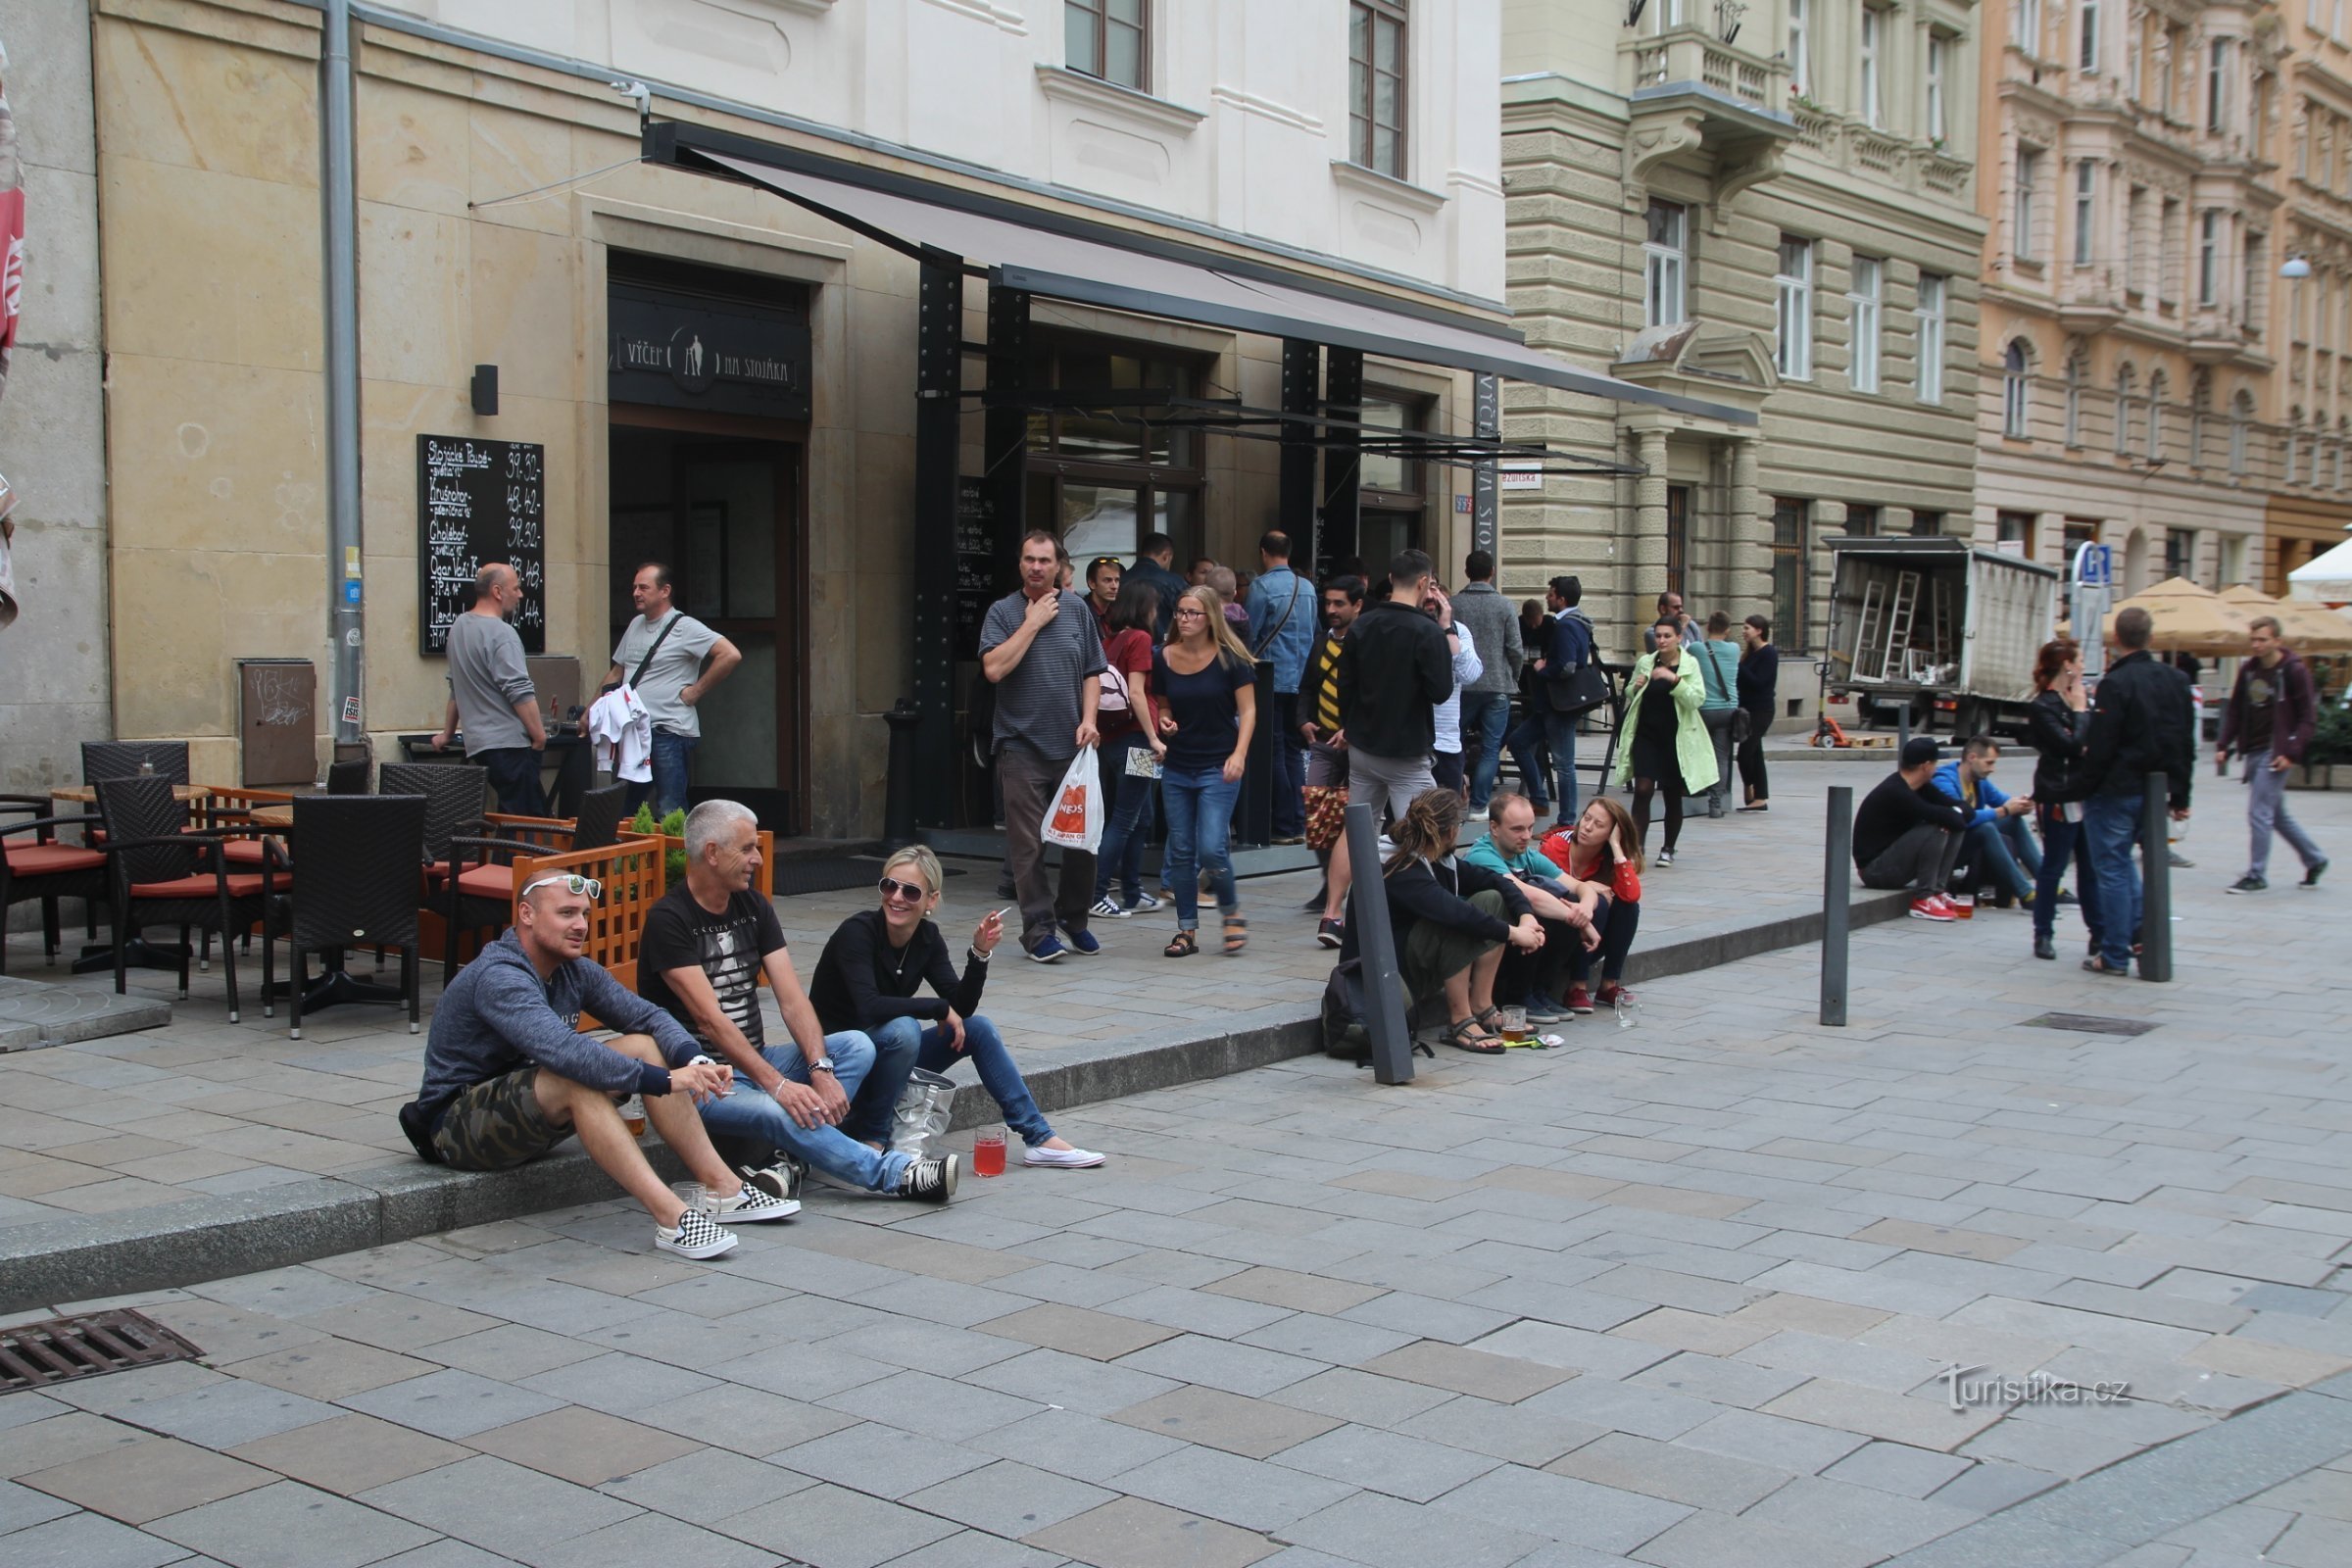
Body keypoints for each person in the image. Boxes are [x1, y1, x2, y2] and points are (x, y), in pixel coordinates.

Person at [399, 871, 796, 1260]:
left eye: (585, 915)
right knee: (576, 1078)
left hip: (527, 1110)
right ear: (526, 914)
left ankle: (724, 1188)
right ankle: (674, 1219)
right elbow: (563, 1051)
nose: (580, 925)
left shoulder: (574, 970)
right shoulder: (500, 976)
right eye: (567, 913)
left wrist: (695, 1059)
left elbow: (649, 1016)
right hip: (454, 1126)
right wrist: (666, 1080)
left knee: (642, 1044)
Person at [640, 801, 959, 1203]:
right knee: (777, 1109)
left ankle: (792, 1161)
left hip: (755, 1060)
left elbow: (792, 999)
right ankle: (895, 1175)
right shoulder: (669, 920)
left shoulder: (753, 906)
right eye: (748, 849)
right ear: (712, 853)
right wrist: (778, 1086)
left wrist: (820, 1068)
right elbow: (710, 1021)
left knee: (856, 1046)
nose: (757, 858)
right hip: (699, 1083)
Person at [812, 847, 1104, 1169]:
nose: (897, 898)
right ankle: (875, 1139)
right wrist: (937, 1008)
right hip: (840, 1066)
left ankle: (1039, 1138)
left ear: (931, 900)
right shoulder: (857, 933)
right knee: (905, 1027)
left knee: (978, 1029)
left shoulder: (927, 937)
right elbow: (868, 1007)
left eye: (910, 891)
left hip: (885, 1062)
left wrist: (979, 954)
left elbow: (960, 1008)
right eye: (889, 886)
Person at [980, 530, 1107, 963]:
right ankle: (1038, 932)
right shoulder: (1002, 612)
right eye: (1029, 559)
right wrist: (1031, 623)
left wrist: (1090, 719)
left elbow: (1094, 670)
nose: (1036, 567)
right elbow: (994, 669)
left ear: (1058, 566)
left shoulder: (1077, 611)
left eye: (1044, 561)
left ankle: (1074, 919)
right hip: (1021, 749)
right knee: (1028, 846)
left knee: (1082, 844)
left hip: (1071, 750)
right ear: (1020, 564)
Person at [1340, 788, 1542, 1054]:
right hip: (1386, 976)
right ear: (1450, 832)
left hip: (1412, 959)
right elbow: (1453, 913)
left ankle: (1482, 1006)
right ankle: (1460, 1019)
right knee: (1456, 919)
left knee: (1492, 898)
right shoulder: (1397, 867)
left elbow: (1496, 880)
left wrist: (1526, 916)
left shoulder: (1438, 858)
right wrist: (1515, 934)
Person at [2077, 607, 2195, 975]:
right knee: (2126, 865)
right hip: (2155, 787)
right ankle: (2140, 933)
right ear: (2151, 638)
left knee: (2111, 867)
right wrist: (2180, 795)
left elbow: (2102, 745)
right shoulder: (2176, 681)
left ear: (2115, 640)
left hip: (2115, 788)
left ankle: (2114, 954)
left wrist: (2078, 788)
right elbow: (2184, 742)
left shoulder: (2115, 683)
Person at [1153, 584, 1258, 956]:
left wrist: (1240, 754)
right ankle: (1186, 931)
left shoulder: (1231, 659)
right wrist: (1165, 721)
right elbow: (1164, 704)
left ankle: (1231, 911)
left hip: (1219, 763)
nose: (1183, 619)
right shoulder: (1163, 656)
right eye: (1179, 612)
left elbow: (1247, 711)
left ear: (1210, 617)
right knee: (1182, 851)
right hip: (1178, 766)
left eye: (1192, 613)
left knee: (1212, 848)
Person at [605, 562, 741, 817]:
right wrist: (591, 710)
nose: (636, 593)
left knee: (670, 807)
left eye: (643, 587)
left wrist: (696, 691)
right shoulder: (635, 624)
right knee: (626, 807)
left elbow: (730, 654)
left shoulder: (685, 626)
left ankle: (676, 857)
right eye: (634, 587)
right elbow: (616, 672)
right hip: (634, 732)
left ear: (665, 591)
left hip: (668, 730)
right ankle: (635, 857)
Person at [1337, 550, 1458, 825]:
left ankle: (1359, 870)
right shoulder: (1428, 631)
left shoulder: (1361, 626)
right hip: (1407, 748)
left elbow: (1345, 685)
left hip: (1363, 744)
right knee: (1421, 829)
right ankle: (1409, 869)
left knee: (1360, 826)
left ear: (1391, 578)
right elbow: (1441, 692)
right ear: (1424, 582)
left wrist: (1351, 726)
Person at [1463, 792, 1602, 1025]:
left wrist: (1585, 908)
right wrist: (1581, 921)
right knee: (1543, 910)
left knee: (1570, 900)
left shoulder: (1525, 853)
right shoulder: (1481, 855)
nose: (1527, 836)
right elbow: (1523, 894)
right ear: (1494, 828)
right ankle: (1517, 996)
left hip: (1513, 939)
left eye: (1530, 828)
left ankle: (1539, 992)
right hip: (1483, 944)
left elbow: (1579, 887)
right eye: (1517, 829)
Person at [2220, 614, 2329, 894]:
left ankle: (2257, 874)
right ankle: (2315, 859)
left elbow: (2308, 718)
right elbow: (2235, 711)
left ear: (2277, 641)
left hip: (2277, 752)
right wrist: (2223, 743)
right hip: (2254, 748)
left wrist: (2291, 752)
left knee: (2259, 812)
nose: (2256, 645)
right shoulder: (2248, 671)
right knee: (2276, 814)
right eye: (2253, 639)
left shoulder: (2294, 671)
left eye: (2262, 640)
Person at [432, 562, 548, 815]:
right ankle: (510, 858)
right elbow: (518, 689)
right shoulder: (502, 634)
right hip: (509, 744)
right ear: (497, 591)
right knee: (523, 822)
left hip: (479, 745)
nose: (520, 595)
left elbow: (456, 686)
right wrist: (539, 737)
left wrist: (447, 733)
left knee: (508, 818)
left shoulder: (459, 627)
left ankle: (501, 857)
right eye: (515, 588)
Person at [1090, 578, 1166, 920]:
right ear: (1144, 607)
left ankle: (1133, 893)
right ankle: (1097, 893)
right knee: (1125, 817)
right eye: (1154, 606)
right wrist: (1153, 738)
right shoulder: (1140, 638)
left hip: (1113, 739)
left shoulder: (1111, 640)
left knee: (1140, 816)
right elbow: (1137, 693)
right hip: (1136, 739)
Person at [1615, 618, 1719, 865]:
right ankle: (1636, 848)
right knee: (1642, 790)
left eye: (1667, 636)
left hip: (1676, 738)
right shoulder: (1646, 662)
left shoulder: (1689, 664)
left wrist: (1674, 680)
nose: (1661, 640)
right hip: (1646, 735)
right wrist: (1635, 686)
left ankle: (1668, 848)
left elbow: (1697, 699)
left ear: (1678, 638)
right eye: (1658, 636)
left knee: (1672, 794)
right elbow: (1630, 691)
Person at [2027, 637, 2105, 961]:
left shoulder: (2079, 699)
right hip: (2057, 794)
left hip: (2085, 794)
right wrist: (2079, 712)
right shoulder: (2043, 706)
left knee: (2090, 868)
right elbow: (2071, 746)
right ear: (2068, 665)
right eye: (2081, 661)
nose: (2084, 667)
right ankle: (2043, 932)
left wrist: (2081, 718)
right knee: (2053, 867)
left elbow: (2091, 743)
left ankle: (2098, 933)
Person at [1301, 575, 1364, 949]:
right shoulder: (1322, 641)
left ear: (1357, 605)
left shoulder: (1366, 643)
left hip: (1357, 745)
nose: (1331, 610)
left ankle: (1342, 896)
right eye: (1328, 603)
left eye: (1339, 604)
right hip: (1323, 740)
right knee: (1317, 809)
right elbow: (1308, 685)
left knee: (1353, 818)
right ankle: (1331, 881)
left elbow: (1372, 693)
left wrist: (1351, 727)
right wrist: (1303, 720)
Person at [1540, 797, 1646, 1014]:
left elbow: (1632, 895)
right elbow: (1546, 891)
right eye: (1587, 818)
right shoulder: (1557, 845)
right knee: (1597, 902)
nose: (1588, 827)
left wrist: (1616, 847)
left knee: (1628, 907)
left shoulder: (1608, 856)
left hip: (1592, 941)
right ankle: (1576, 987)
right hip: (1557, 936)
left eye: (1599, 825)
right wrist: (1586, 887)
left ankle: (1608, 985)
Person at [1245, 530, 1316, 845]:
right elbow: (1316, 633)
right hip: (1302, 682)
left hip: (1270, 681)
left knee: (1272, 751)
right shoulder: (1309, 588)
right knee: (1294, 751)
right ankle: (1299, 821)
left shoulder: (1262, 587)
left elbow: (1248, 634)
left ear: (1263, 552)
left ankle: (1284, 823)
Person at [1852, 736, 1971, 920]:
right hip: (1874, 870)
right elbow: (1939, 815)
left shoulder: (1922, 787)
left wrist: (1955, 812)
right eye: (1935, 763)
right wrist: (1953, 814)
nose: (1936, 768)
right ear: (1926, 766)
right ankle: (1924, 898)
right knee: (1936, 827)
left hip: (1894, 862)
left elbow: (1965, 812)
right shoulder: (1896, 792)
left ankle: (1937, 892)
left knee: (1952, 825)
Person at [1930, 735, 2043, 907]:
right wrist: (2003, 810)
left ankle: (2048, 884)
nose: (1992, 769)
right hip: (1947, 847)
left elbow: (2002, 800)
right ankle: (2026, 894)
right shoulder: (1944, 780)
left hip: (1967, 841)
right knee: (1986, 828)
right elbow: (1959, 818)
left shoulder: (1979, 781)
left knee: (2014, 821)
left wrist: (2021, 804)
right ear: (1972, 758)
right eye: (1989, 763)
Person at [1453, 551, 1524, 810]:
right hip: (1497, 684)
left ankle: (1453, 795)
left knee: (1454, 741)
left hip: (1463, 684)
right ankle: (1480, 806)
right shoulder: (1505, 605)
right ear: (1492, 571)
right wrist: (1513, 676)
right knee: (1491, 747)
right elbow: (1515, 648)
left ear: (1466, 571)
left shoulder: (1455, 604)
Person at [1530, 575, 1598, 823]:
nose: (1547, 598)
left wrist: (1542, 670)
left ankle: (1567, 820)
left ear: (1561, 598)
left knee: (1564, 764)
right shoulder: (1576, 622)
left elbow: (1568, 666)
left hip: (1560, 704)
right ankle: (1539, 798)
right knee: (1518, 742)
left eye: (1551, 594)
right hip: (1552, 704)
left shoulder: (1568, 625)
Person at [1425, 575, 1485, 799]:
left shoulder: (1457, 630)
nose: (1431, 596)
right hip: (1410, 744)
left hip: (1446, 741)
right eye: (1424, 588)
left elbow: (1470, 674)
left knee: (1445, 817)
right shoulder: (1406, 626)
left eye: (1434, 588)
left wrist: (1448, 630)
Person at [1503, 598, 1555, 817]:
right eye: (1531, 623)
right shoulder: (1519, 624)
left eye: (1537, 623)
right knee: (1523, 740)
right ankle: (1538, 790)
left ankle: (1539, 785)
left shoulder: (1551, 625)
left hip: (1543, 690)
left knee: (1529, 741)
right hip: (1525, 683)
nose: (1534, 627)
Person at [1690, 612, 1742, 819]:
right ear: (1728, 629)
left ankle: (1695, 790)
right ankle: (1716, 804)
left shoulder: (1696, 648)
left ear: (1708, 626)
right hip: (1728, 710)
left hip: (1703, 710)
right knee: (1721, 757)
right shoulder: (1734, 649)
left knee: (1697, 752)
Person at [1736, 614, 1778, 811]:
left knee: (1746, 753)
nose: (1744, 632)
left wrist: (1739, 668)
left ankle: (1750, 788)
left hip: (1762, 710)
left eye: (1747, 628)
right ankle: (1760, 797)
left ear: (1759, 630)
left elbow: (1760, 682)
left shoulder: (1768, 653)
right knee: (1756, 753)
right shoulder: (1749, 654)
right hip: (1746, 709)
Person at [1128, 532, 1187, 641]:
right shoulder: (1175, 582)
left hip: (1127, 647)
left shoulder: (1120, 579)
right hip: (1163, 646)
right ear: (1166, 556)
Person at [1640, 590, 1701, 655]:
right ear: (1663, 609)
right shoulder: (1652, 632)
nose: (1681, 610)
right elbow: (1674, 654)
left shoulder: (1691, 626)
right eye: (1676, 607)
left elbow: (1701, 652)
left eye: (1681, 607)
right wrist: (1682, 627)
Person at [1084, 556, 1123, 640]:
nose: (1114, 586)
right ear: (1092, 583)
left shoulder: (1119, 613)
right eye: (1107, 580)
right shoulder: (1083, 613)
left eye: (1117, 580)